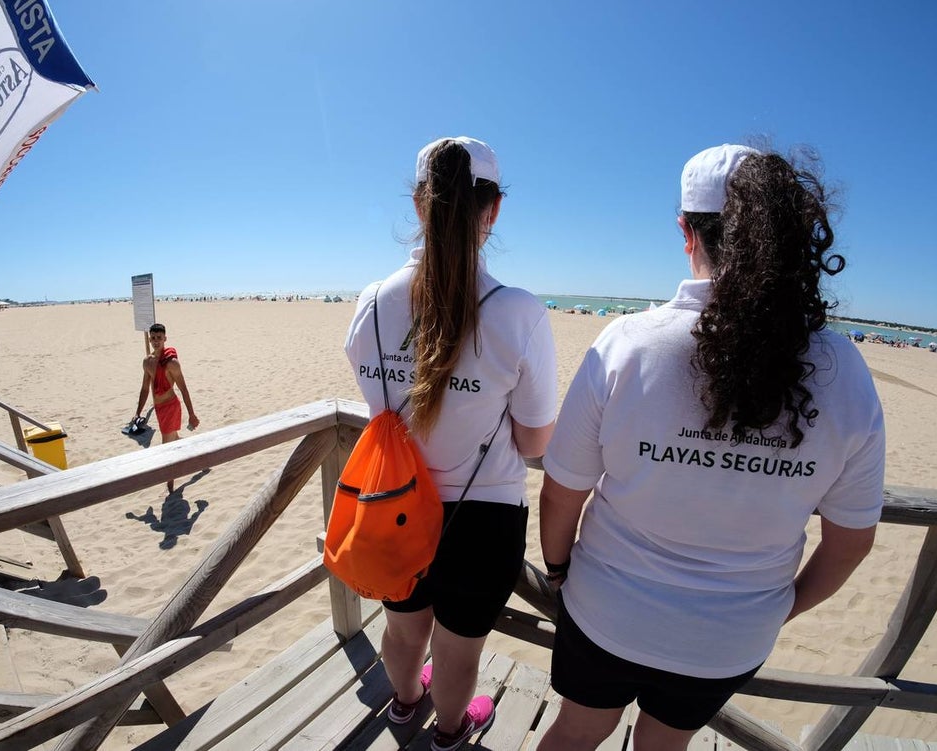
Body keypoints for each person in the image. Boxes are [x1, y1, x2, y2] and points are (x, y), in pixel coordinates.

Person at [536, 145, 885, 751]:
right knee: (664, 746)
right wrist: (775, 608)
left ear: (685, 232)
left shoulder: (629, 344)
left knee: (576, 732)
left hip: (605, 610)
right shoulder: (845, 372)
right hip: (730, 638)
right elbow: (851, 541)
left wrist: (560, 567)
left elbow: (562, 491)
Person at [344, 136, 558, 751]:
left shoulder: (373, 304)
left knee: (404, 630)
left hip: (391, 502)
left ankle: (405, 706)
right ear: (492, 211)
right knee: (460, 646)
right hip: (482, 513)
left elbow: (376, 398)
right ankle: (451, 730)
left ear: (419, 206)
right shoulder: (517, 313)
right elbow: (535, 436)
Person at [132, 323, 200, 492]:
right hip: (160, 410)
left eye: (159, 338)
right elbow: (144, 389)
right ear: (150, 339)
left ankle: (170, 487)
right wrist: (138, 412)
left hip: (171, 407)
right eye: (153, 338)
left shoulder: (172, 363)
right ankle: (200, 454)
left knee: (166, 449)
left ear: (165, 339)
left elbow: (184, 389)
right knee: (175, 440)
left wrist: (192, 414)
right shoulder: (147, 362)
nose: (156, 341)